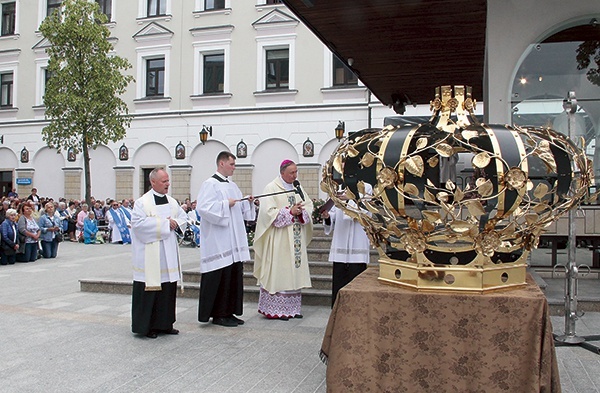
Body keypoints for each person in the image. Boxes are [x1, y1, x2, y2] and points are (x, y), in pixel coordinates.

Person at [196, 151, 255, 327]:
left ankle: (229, 312)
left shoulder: (232, 185)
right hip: (218, 241)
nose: (234, 168)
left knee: (233, 276)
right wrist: (224, 204)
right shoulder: (210, 184)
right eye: (232, 164)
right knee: (220, 277)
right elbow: (203, 208)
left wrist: (248, 201)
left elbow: (239, 207)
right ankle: (219, 314)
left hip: (233, 239)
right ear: (221, 163)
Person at [130, 168, 187, 339]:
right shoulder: (142, 203)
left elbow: (183, 217)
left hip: (168, 253)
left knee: (167, 290)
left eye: (168, 181)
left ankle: (165, 324)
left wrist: (176, 222)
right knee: (151, 290)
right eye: (164, 181)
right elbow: (138, 225)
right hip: (150, 256)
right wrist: (164, 224)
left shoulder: (171, 202)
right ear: (153, 182)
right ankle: (147, 326)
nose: (167, 184)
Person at [252, 160, 313, 320]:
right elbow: (267, 213)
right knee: (280, 270)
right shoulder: (271, 188)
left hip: (295, 237)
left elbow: (309, 205)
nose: (295, 175)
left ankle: (292, 309)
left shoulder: (297, 188)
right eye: (292, 173)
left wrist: (301, 212)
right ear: (283, 172)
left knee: (294, 271)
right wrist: (290, 212)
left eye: (296, 172)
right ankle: (277, 310)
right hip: (279, 239)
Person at [321, 183, 373, 307]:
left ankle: (356, 310)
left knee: (356, 282)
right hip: (341, 241)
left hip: (357, 243)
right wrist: (327, 216)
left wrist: (349, 199)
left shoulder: (366, 188)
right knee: (339, 282)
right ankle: (337, 310)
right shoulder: (338, 188)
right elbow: (333, 214)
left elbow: (366, 212)